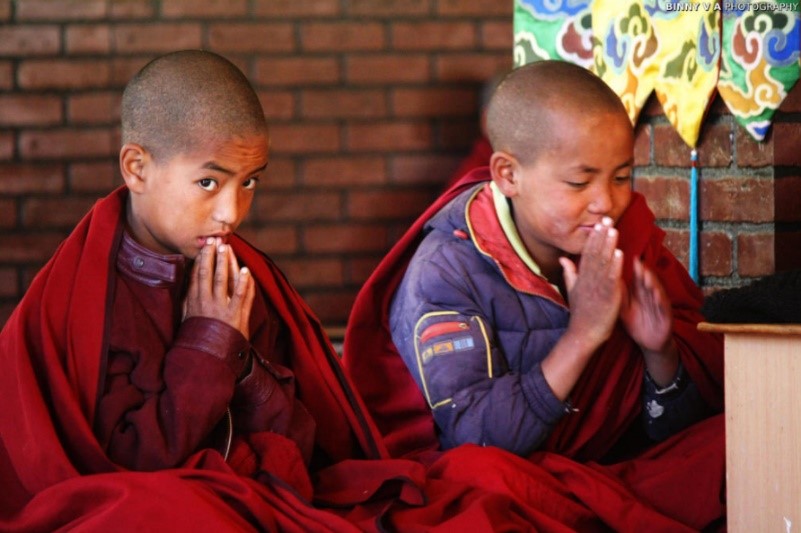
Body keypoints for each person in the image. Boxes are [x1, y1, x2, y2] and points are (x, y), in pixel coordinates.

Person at [0, 50, 438, 532]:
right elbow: (125, 471)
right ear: (137, 168)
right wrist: (208, 341)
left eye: (249, 181)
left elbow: (305, 443)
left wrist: (241, 359)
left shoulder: (239, 275)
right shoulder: (81, 301)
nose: (232, 212)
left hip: (241, 496)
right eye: (208, 181)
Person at [344, 60, 726, 530]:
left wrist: (660, 354)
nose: (606, 202)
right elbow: (475, 438)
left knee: (744, 440)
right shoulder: (446, 269)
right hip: (513, 481)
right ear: (507, 174)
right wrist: (583, 335)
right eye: (579, 182)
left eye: (622, 177)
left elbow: (673, 426)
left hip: (608, 471)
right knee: (476, 483)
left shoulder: (624, 239)